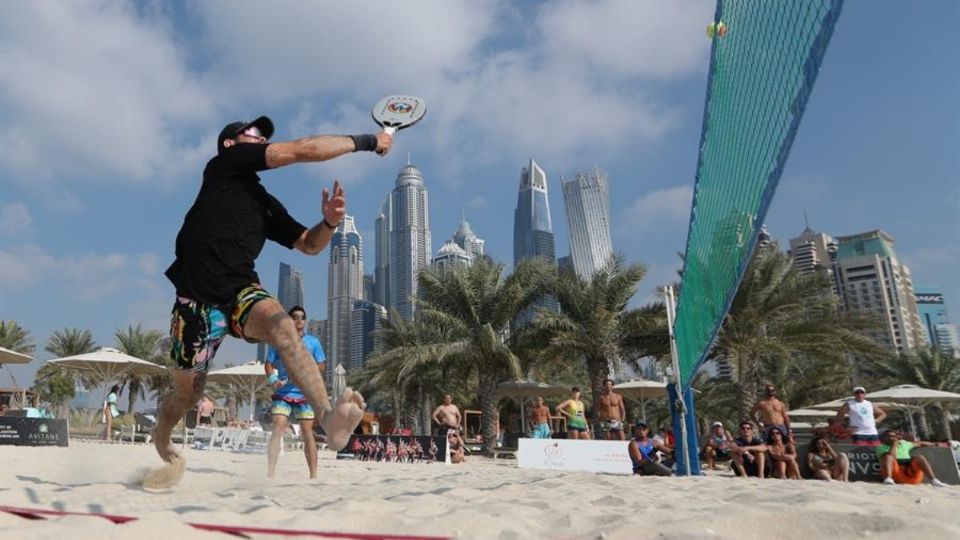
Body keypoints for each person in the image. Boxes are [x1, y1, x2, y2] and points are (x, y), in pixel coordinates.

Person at [150, 116, 390, 488]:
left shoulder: (264, 204)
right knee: (187, 392)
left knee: (282, 326)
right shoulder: (224, 166)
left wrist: (328, 224)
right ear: (231, 144)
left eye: (263, 136)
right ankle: (162, 442)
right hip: (195, 301)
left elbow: (308, 245)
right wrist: (368, 141)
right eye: (253, 134)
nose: (261, 138)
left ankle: (328, 418)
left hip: (242, 291)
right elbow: (303, 150)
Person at [266, 305, 326, 479]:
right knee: (278, 427)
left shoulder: (313, 342)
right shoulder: (279, 340)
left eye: (302, 317)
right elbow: (268, 364)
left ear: (305, 321)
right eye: (295, 317)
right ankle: (270, 473)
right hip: (283, 394)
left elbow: (322, 365)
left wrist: (309, 371)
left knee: (307, 432)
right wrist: (272, 380)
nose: (299, 320)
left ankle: (313, 475)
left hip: (305, 395)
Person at [876, 430, 947, 487]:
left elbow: (920, 443)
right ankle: (888, 479)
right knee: (889, 457)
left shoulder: (904, 444)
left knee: (920, 457)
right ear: (883, 438)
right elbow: (891, 455)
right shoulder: (880, 447)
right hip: (895, 473)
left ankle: (934, 480)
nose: (890, 438)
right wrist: (895, 444)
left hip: (909, 472)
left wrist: (936, 444)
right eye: (888, 436)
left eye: (893, 436)